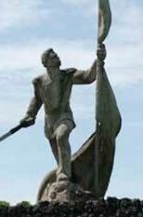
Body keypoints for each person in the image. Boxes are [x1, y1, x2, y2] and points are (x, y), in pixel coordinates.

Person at [19, 45, 104, 181]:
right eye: (53, 56)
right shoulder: (40, 82)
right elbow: (37, 100)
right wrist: (29, 115)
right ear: (46, 63)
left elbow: (89, 77)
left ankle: (64, 174)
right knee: (58, 153)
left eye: (56, 55)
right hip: (50, 122)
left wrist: (98, 60)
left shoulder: (68, 75)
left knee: (61, 136)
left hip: (64, 117)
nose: (57, 57)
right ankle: (67, 176)